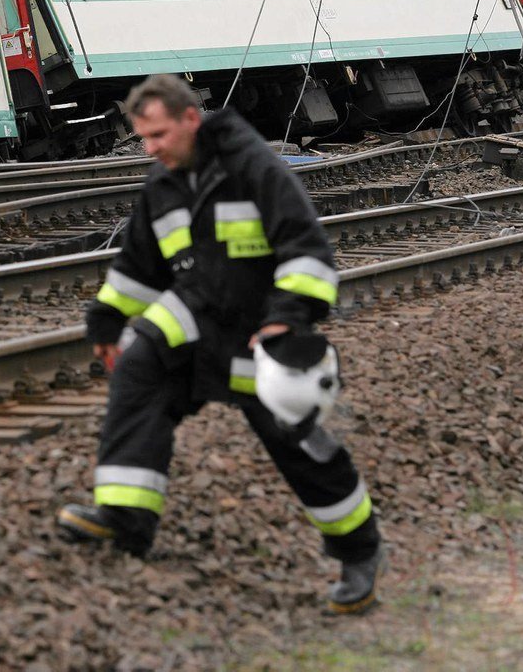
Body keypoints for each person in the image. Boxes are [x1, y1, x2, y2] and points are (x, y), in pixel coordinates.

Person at [56, 73, 384, 615]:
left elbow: (307, 252)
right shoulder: (162, 186)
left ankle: (360, 554)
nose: (151, 149)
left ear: (191, 119)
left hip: (258, 334)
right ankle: (124, 517)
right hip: (191, 325)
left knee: (298, 443)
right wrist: (106, 322)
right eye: (143, 139)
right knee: (138, 375)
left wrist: (286, 321)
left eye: (158, 135)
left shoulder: (253, 167)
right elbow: (138, 268)